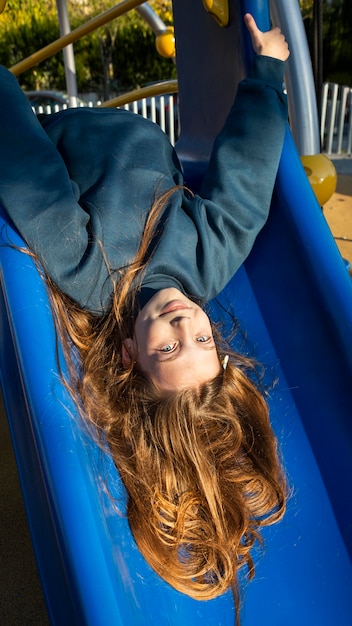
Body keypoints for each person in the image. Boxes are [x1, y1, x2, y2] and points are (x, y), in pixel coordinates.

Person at [0, 13, 290, 624]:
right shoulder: (205, 266)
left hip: (69, 134)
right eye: (203, 338)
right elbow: (246, 188)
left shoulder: (90, 273)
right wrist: (266, 73)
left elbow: (31, 180)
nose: (185, 321)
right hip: (142, 133)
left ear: (130, 357)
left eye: (168, 347)